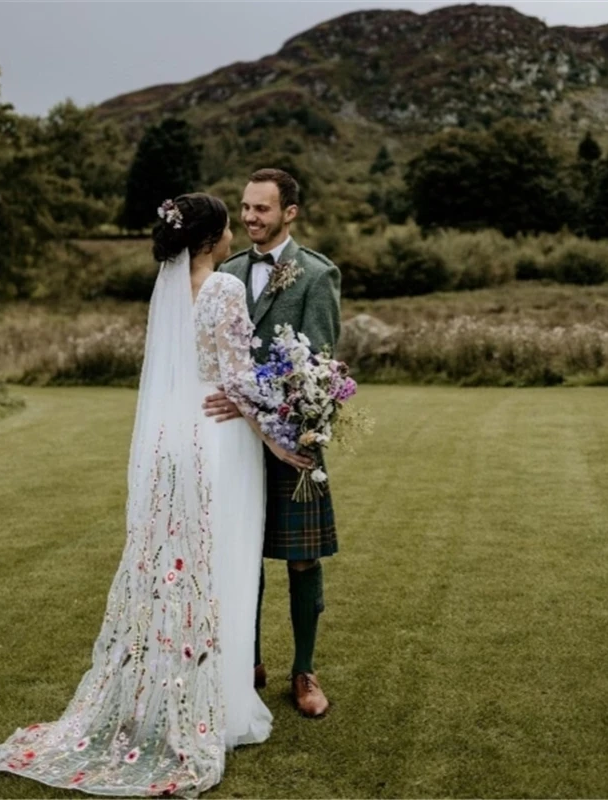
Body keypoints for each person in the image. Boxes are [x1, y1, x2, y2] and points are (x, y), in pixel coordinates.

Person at [0, 193, 310, 798]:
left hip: (170, 439)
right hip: (220, 443)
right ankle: (223, 710)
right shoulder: (222, 289)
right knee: (220, 568)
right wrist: (281, 441)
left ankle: (165, 698)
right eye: (226, 226)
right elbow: (238, 379)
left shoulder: (168, 291)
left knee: (171, 569)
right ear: (212, 238)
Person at [205, 168, 342, 718]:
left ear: (290, 212)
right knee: (242, 556)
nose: (250, 217)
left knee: (303, 559)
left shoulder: (316, 274)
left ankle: (303, 671)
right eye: (245, 207)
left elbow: (321, 364)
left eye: (262, 209)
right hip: (234, 440)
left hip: (294, 436)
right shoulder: (227, 272)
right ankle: (249, 661)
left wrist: (294, 421)